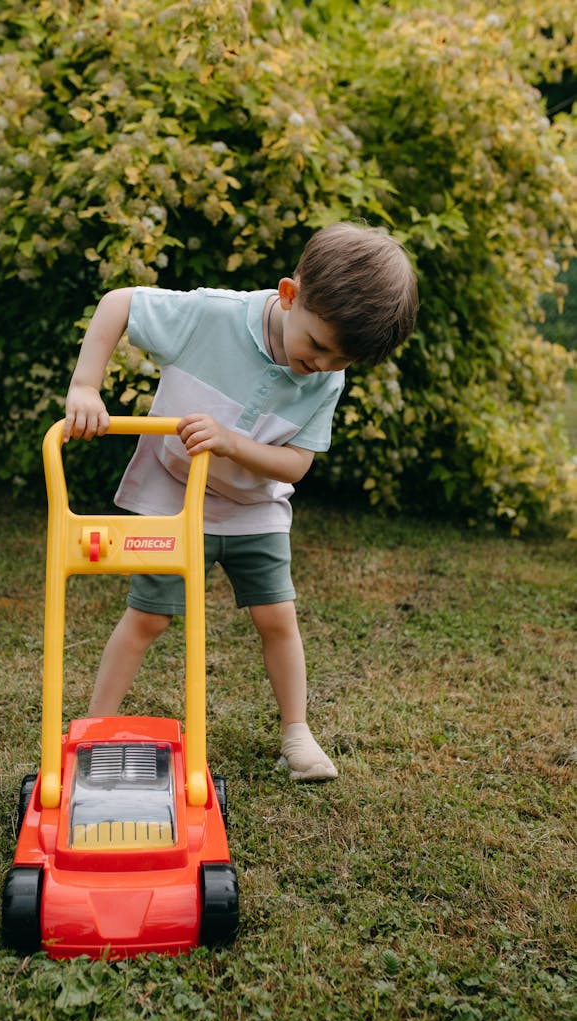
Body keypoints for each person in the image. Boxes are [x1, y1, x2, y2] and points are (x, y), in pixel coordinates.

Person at [63, 222, 418, 780]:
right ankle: (95, 730)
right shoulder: (212, 316)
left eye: (340, 361)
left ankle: (297, 735)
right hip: (174, 499)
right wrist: (86, 385)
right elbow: (118, 305)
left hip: (255, 509)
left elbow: (296, 464)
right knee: (149, 618)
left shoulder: (325, 377)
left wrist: (233, 444)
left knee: (277, 616)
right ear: (289, 295)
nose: (322, 367)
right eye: (319, 347)